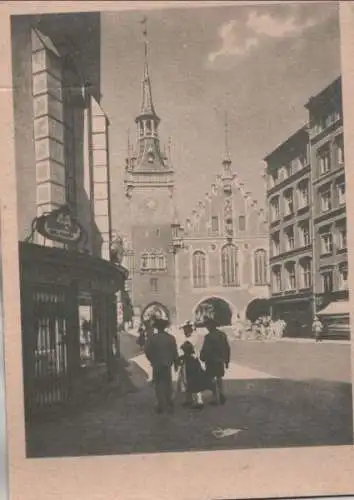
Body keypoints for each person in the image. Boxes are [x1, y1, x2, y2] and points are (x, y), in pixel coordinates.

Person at [144, 316, 179, 414]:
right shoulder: (170, 338)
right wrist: (175, 362)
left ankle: (161, 404)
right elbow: (174, 352)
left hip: (157, 364)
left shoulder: (153, 339)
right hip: (167, 364)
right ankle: (168, 402)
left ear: (157, 328)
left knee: (159, 384)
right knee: (167, 383)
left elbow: (147, 351)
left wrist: (152, 360)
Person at [200, 317, 231, 405]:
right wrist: (227, 360)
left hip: (211, 360)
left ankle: (215, 397)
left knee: (212, 378)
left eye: (207, 325)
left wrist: (202, 356)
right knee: (219, 378)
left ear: (210, 326)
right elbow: (227, 348)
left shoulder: (209, 336)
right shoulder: (222, 335)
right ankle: (221, 394)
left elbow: (206, 349)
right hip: (220, 360)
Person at [177, 341, 210, 410]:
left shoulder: (187, 357)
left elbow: (179, 361)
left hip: (192, 374)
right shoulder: (193, 356)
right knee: (192, 388)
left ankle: (198, 401)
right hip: (194, 374)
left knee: (193, 388)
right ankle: (191, 400)